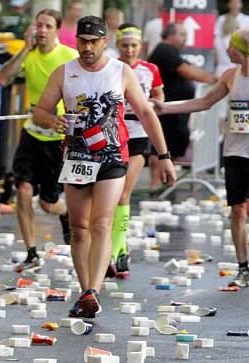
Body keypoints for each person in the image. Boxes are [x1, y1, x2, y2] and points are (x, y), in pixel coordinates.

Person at [33, 16, 176, 318]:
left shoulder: (120, 71)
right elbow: (41, 112)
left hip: (112, 156)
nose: (87, 47)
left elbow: (147, 114)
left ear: (104, 42)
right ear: (77, 42)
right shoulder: (64, 73)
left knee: (101, 223)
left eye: (93, 42)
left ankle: (93, 290)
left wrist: (164, 156)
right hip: (76, 157)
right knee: (79, 227)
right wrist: (52, 120)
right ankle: (85, 290)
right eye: (82, 41)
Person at [154, 29, 249, 287]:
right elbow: (204, 102)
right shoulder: (230, 76)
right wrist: (165, 108)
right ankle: (243, 266)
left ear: (244, 49)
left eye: (231, 47)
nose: (227, 51)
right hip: (233, 151)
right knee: (237, 211)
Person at [0, 9, 76, 272]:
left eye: (47, 26)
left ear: (56, 30)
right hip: (31, 134)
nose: (41, 30)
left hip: (58, 137)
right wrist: (24, 49)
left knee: (47, 203)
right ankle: (31, 252)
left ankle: (64, 213)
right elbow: (3, 78)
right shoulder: (27, 54)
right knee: (23, 190)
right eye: (38, 25)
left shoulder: (68, 56)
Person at [108, 23, 164, 279]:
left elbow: (160, 99)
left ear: (140, 46)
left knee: (123, 194)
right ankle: (108, 247)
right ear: (118, 45)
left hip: (139, 136)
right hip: (113, 136)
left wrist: (152, 104)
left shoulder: (150, 69)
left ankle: (120, 250)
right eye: (124, 45)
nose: (129, 50)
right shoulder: (111, 67)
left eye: (133, 45)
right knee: (109, 197)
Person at [148, 22, 217, 160]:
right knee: (162, 148)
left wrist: (212, 77)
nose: (186, 37)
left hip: (174, 109)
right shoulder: (164, 50)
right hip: (167, 108)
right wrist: (214, 80)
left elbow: (189, 67)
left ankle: (165, 179)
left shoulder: (171, 51)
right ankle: (156, 181)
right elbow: (186, 70)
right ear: (170, 35)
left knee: (174, 144)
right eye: (182, 34)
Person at [214, 0, 249, 75]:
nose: (235, 5)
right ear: (229, 4)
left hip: (240, 64)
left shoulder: (246, 19)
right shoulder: (221, 19)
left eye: (238, 2)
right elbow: (216, 41)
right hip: (224, 64)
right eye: (233, 2)